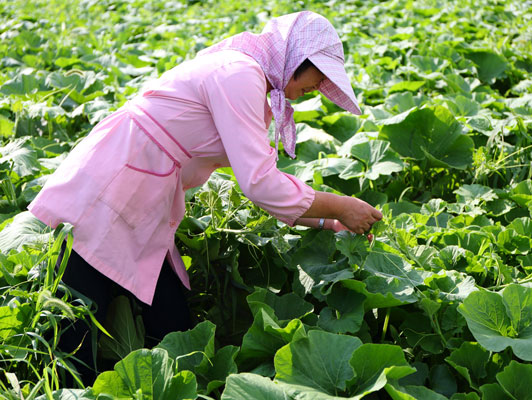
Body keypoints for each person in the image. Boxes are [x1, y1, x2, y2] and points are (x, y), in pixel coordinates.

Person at [28, 11, 382, 384]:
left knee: (170, 323)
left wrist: (328, 220)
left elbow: (263, 180)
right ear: (297, 58)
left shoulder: (249, 78)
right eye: (319, 74)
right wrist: (341, 205)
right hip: (116, 181)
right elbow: (260, 184)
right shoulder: (240, 74)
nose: (322, 85)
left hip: (141, 190)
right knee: (76, 326)